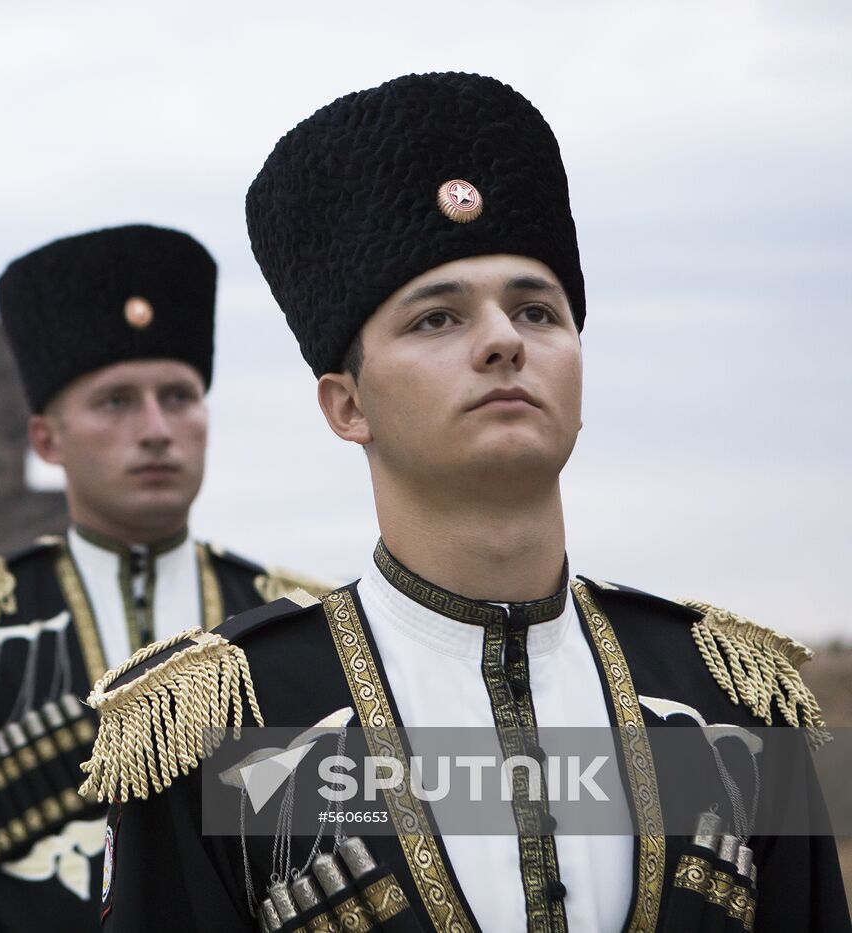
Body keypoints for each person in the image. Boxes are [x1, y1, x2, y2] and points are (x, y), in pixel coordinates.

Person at [85, 75, 849, 932]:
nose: (502, 341)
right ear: (348, 405)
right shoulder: (226, 728)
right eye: (437, 319)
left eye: (536, 309)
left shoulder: (732, 702)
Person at [0, 223, 330, 932]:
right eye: (116, 401)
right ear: (46, 438)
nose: (157, 428)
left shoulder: (282, 626)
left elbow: (317, 869)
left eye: (180, 396)